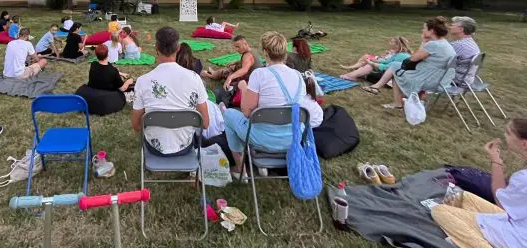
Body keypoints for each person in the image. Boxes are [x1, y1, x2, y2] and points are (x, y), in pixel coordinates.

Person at [223, 31, 323, 180]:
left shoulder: (259, 74)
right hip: (294, 138)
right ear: (285, 52)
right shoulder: (298, 76)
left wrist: (243, 88)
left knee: (229, 114)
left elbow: (246, 111)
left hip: (262, 137)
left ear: (265, 52)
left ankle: (240, 168)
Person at [431, 118, 527, 248]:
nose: (504, 135)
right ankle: (465, 235)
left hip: (517, 238)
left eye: (508, 133)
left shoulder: (522, 178)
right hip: (519, 221)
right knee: (464, 197)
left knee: (439, 211)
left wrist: (495, 160)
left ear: (524, 144)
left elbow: (499, 199)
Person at [131, 27, 209, 156]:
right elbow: (205, 123)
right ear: (178, 48)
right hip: (185, 146)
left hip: (155, 148)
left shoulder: (142, 81)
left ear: (156, 47)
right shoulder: (195, 78)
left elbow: (136, 125)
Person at [362, 17, 457, 110]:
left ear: (431, 31)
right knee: (396, 67)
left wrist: (423, 42)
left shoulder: (433, 44)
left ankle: (387, 95)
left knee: (396, 70)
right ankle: (379, 89)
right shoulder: (444, 43)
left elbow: (413, 58)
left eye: (424, 28)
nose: (422, 30)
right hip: (440, 78)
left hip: (430, 79)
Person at [339, 37, 412, 81]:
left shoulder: (401, 55)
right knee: (370, 64)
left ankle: (351, 76)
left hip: (394, 77)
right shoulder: (398, 53)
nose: (389, 43)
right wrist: (374, 61)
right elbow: (387, 61)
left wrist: (372, 63)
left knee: (370, 66)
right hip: (391, 73)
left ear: (397, 45)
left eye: (392, 42)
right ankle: (352, 75)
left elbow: (387, 67)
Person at [449, 16, 481, 87]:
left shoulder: (459, 45)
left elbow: (442, 60)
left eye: (452, 25)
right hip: (468, 78)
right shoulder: (471, 42)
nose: (450, 27)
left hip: (457, 80)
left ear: (461, 29)